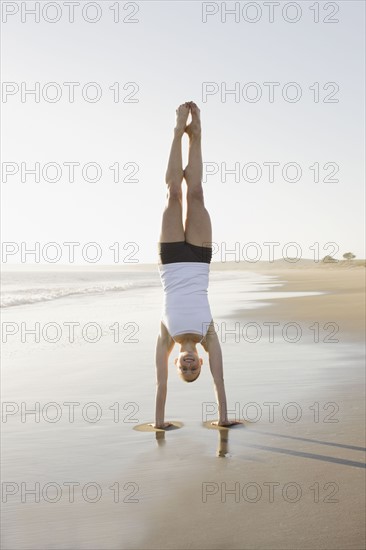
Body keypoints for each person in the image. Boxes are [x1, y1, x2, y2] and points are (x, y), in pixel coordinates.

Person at [154, 101, 239, 430]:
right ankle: (197, 136)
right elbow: (220, 382)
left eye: (183, 368)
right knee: (198, 194)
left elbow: (160, 387)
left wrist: (159, 424)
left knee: (174, 193)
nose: (189, 365)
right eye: (194, 369)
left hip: (172, 261)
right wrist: (223, 420)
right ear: (200, 361)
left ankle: (177, 132)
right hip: (200, 261)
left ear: (176, 361)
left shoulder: (166, 336)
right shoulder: (209, 336)